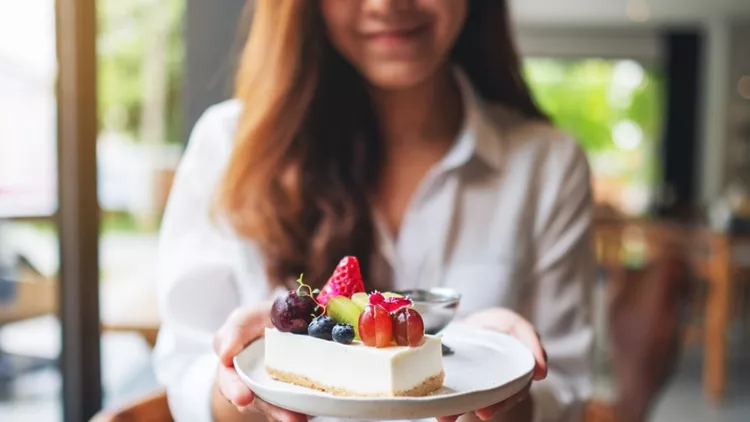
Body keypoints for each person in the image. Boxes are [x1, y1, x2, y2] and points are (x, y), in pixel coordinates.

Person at [152, 1, 595, 421]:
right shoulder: (228, 146)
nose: (387, 3)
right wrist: (249, 382)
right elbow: (186, 379)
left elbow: (566, 395)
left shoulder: (547, 165)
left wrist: (506, 390)